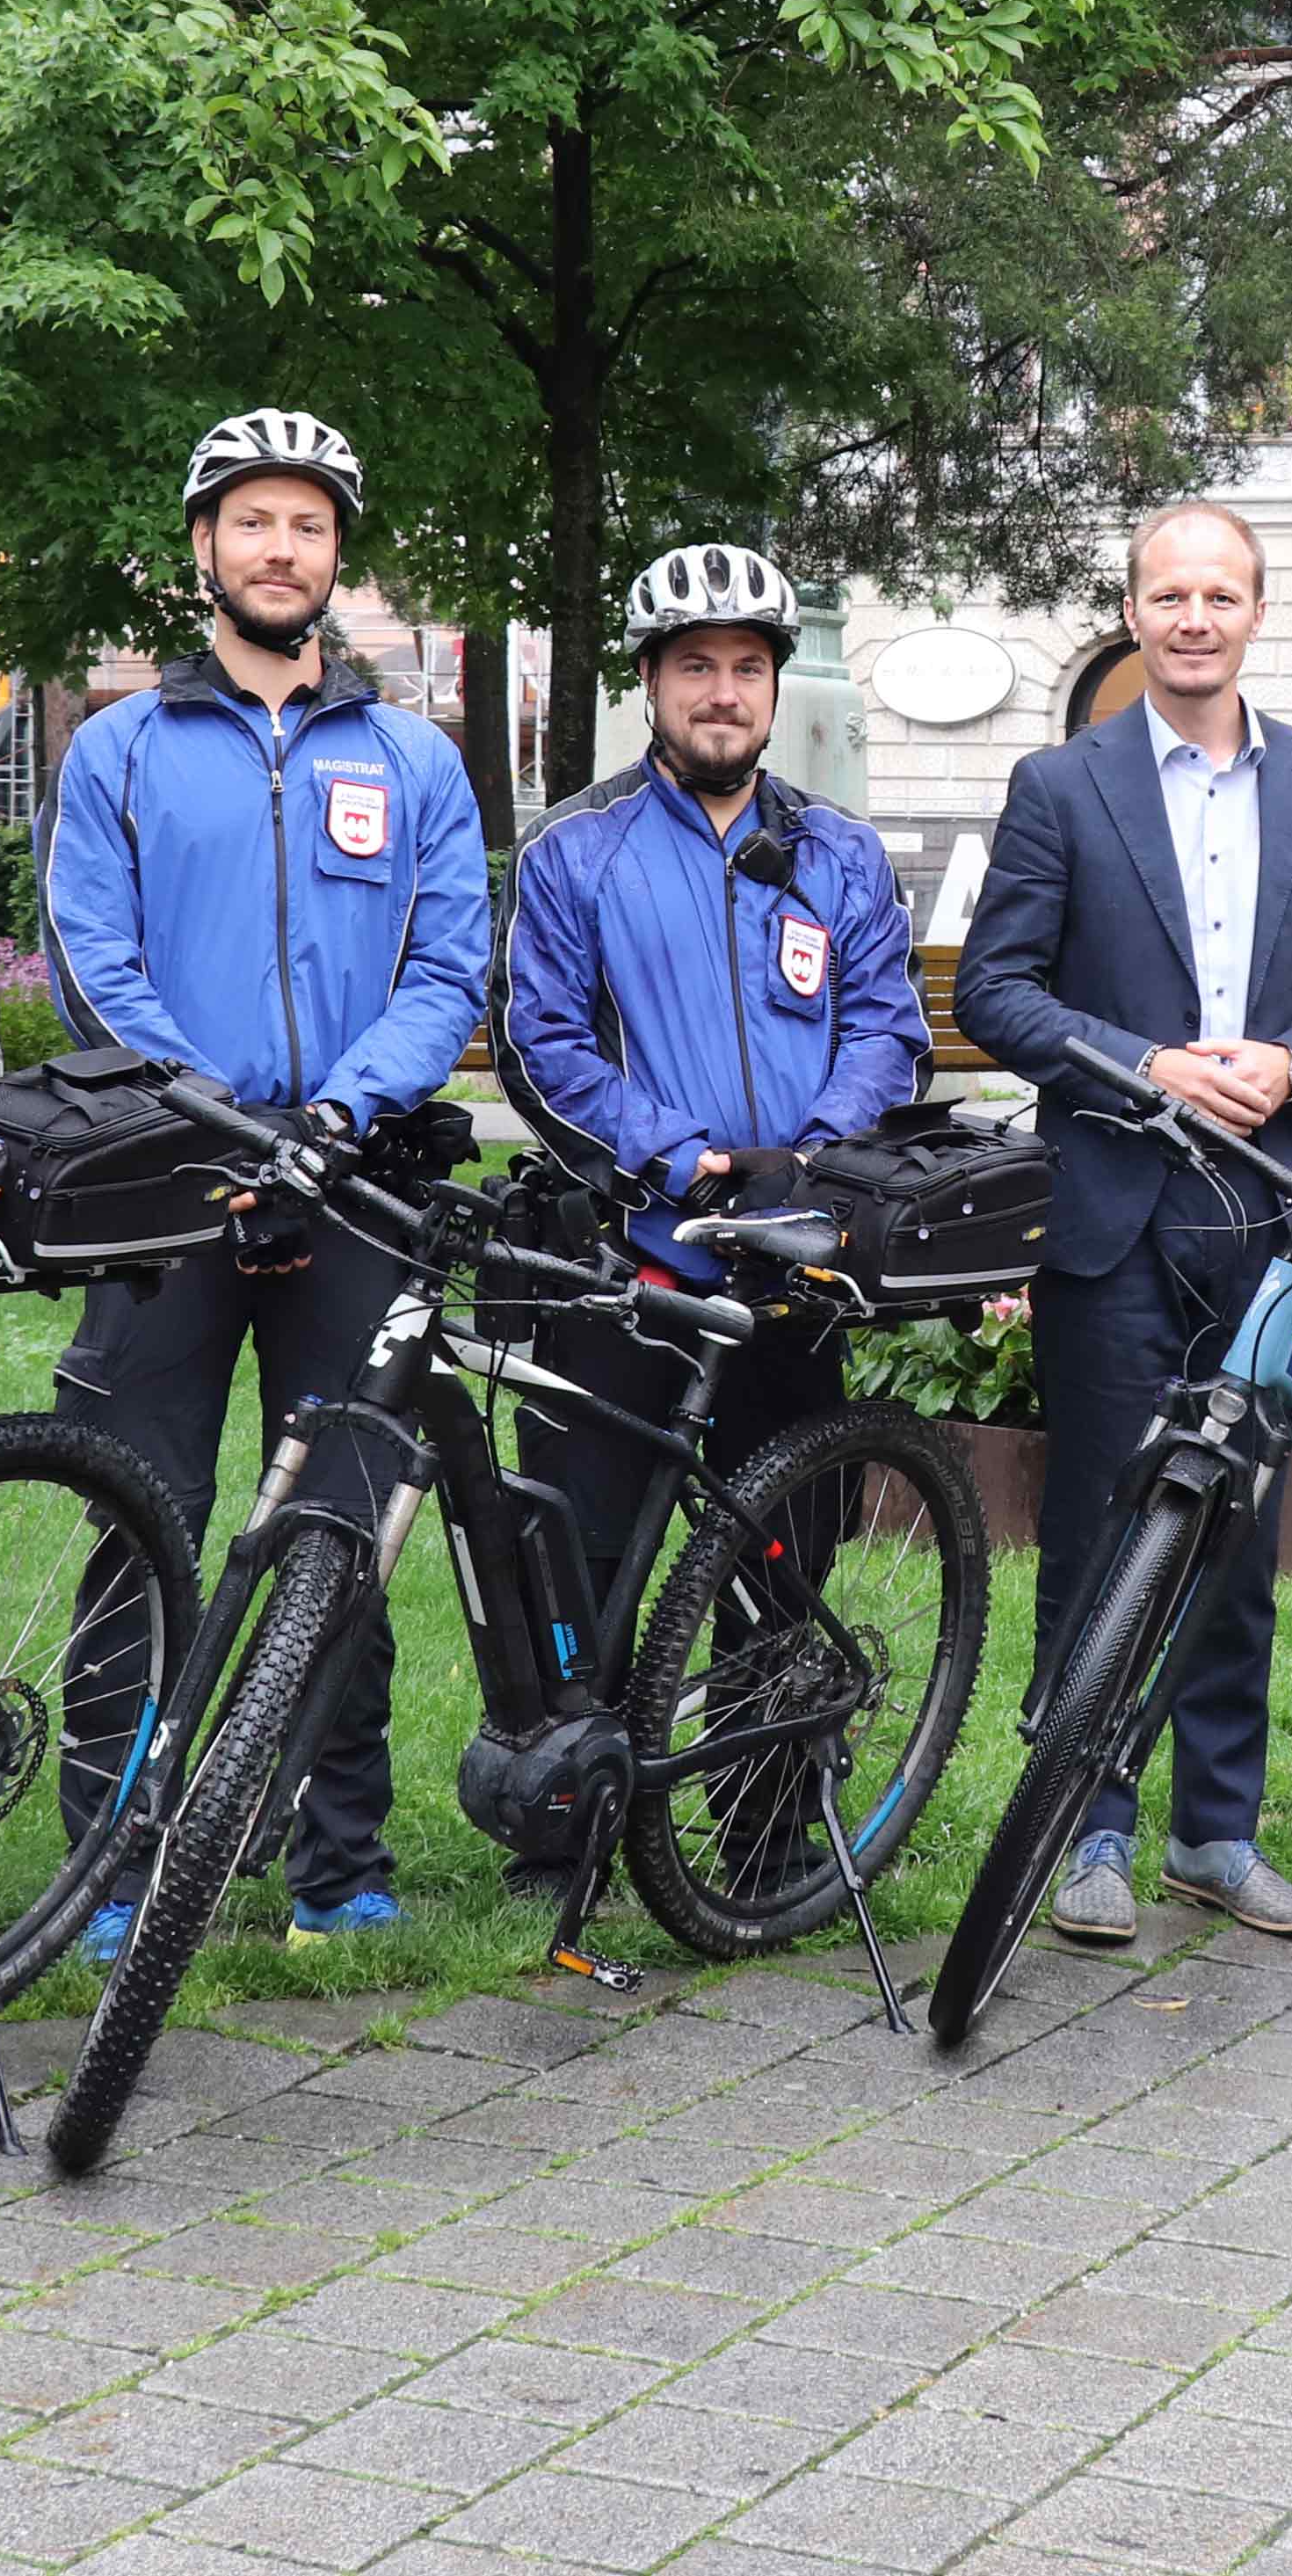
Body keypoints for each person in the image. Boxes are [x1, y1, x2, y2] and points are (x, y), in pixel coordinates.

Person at [40, 409, 490, 1951]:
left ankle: (336, 1862)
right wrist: (219, 1118)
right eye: (252, 523)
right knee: (140, 1516)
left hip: (352, 1189)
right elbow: (90, 960)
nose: (279, 549)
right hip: (172, 1184)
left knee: (344, 1526)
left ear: (335, 553)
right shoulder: (117, 749)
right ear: (202, 549)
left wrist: (342, 1114)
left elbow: (447, 968)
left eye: (306, 524)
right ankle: (111, 1859)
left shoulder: (413, 758)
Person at [956, 500, 1292, 1948]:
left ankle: (1218, 1831)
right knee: (1098, 1526)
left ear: (1255, 613)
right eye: (1169, 595)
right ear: (1136, 615)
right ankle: (1086, 1826)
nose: (1195, 617)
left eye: (1220, 594)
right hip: (1112, 1211)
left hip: (1268, 1217)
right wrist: (1143, 1061)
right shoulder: (1060, 785)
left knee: (1240, 1528)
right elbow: (996, 992)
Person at [495, 542, 930, 1820]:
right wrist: (682, 1154)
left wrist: (804, 1155)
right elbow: (543, 1042)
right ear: (648, 682)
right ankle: (568, 1812)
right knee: (584, 1548)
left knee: (785, 1547)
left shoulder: (838, 851)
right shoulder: (577, 848)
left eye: (748, 667)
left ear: (775, 688)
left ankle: (765, 1810)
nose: (724, 691)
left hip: (793, 1257)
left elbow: (887, 1030)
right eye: (697, 667)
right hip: (636, 1256)